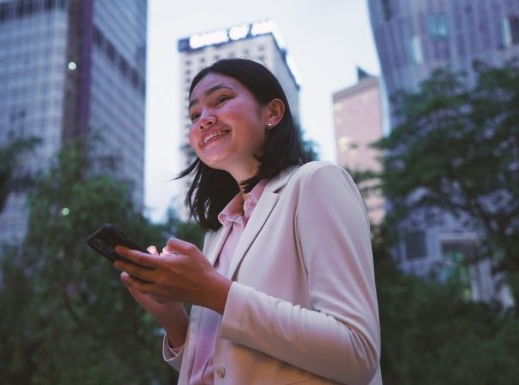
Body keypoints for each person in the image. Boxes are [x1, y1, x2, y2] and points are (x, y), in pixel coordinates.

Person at [114, 58, 382, 385]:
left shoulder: (315, 182)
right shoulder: (220, 230)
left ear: (272, 113)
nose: (204, 119)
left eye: (221, 100)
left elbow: (356, 353)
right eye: (195, 114)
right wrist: (175, 322)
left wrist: (214, 292)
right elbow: (228, 367)